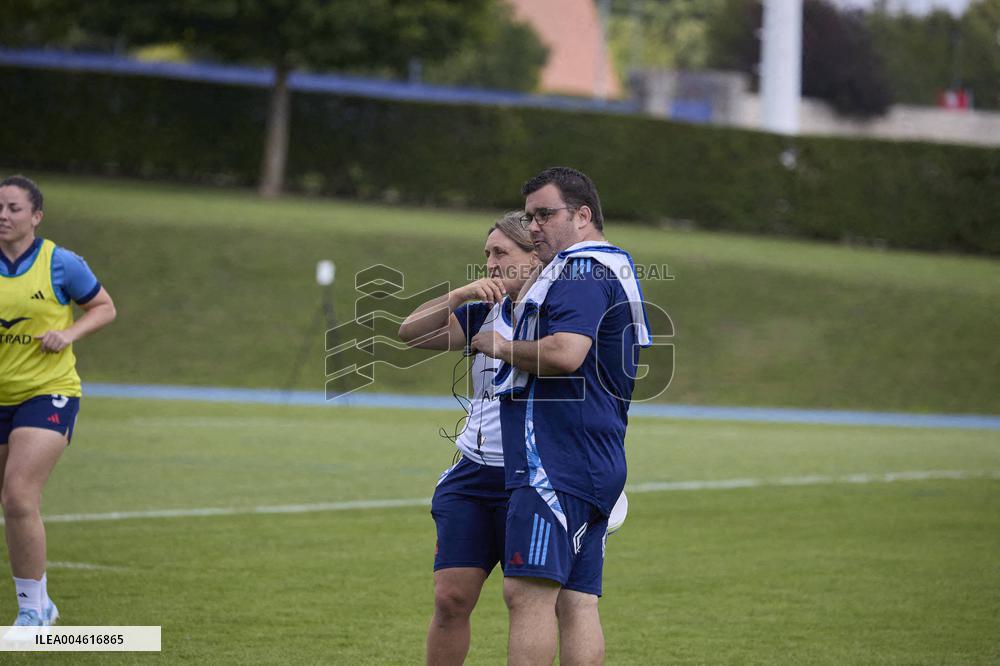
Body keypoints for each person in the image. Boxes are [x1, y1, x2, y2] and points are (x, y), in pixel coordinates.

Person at [470, 167, 650, 665]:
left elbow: (568, 352)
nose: (533, 228)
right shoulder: (608, 266)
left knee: (527, 597)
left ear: (584, 215)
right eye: (529, 217)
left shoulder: (579, 268)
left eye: (545, 215)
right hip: (594, 458)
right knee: (576, 602)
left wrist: (501, 346)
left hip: (556, 461)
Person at [398, 212, 540, 665]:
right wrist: (458, 294)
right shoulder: (482, 311)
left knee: (528, 605)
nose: (491, 263)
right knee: (450, 599)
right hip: (473, 474)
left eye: (502, 253)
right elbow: (410, 334)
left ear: (535, 257)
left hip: (533, 477)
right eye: (487, 254)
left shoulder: (562, 314)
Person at [0, 175, 117, 626]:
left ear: (36, 216)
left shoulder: (61, 263)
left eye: (13, 208)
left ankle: (33, 610)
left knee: (18, 496)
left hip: (48, 392)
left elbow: (104, 307)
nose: (3, 215)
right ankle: (42, 601)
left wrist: (68, 333)